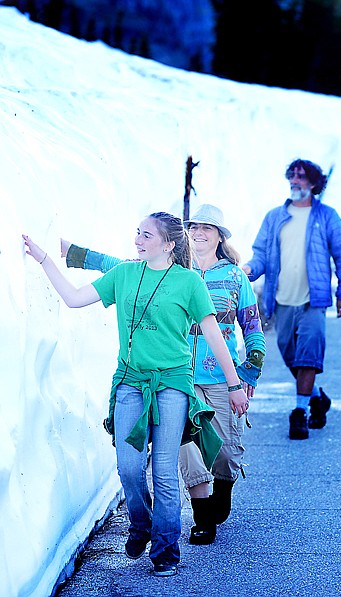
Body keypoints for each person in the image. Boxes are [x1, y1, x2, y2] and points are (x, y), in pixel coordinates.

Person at [22, 212, 249, 578]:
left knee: (164, 470)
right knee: (128, 467)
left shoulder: (189, 282)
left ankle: (165, 549)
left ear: (169, 245)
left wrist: (234, 385)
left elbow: (213, 335)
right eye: (138, 233)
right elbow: (74, 298)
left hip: (173, 384)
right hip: (130, 382)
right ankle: (141, 524)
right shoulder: (125, 274)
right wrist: (45, 258)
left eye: (147, 235)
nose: (138, 240)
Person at [61, 204, 266, 546]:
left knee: (226, 453)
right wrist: (71, 252)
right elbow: (118, 268)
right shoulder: (172, 273)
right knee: (187, 452)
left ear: (220, 237)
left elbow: (253, 327)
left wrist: (249, 372)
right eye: (194, 227)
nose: (199, 232)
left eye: (207, 228)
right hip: (179, 377)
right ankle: (202, 518)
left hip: (220, 376)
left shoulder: (234, 277)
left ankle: (223, 488)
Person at [242, 158, 341, 440]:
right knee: (290, 354)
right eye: (292, 175)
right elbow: (261, 254)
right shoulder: (274, 217)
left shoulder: (327, 217)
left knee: (308, 356)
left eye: (301, 176)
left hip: (313, 301)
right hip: (281, 300)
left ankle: (300, 412)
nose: (295, 180)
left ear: (314, 183)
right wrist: (249, 270)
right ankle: (317, 398)